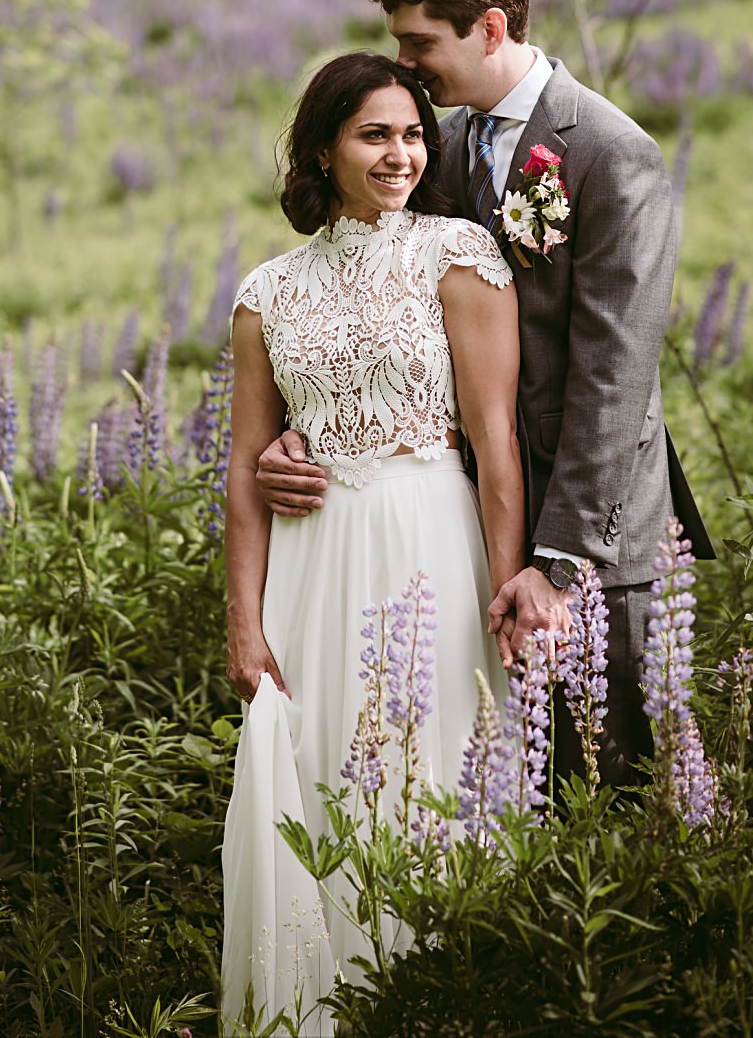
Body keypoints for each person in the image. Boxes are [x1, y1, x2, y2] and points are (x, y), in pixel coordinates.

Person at [256, 0, 713, 790]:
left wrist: (556, 561)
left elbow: (613, 379)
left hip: (593, 529)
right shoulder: (441, 143)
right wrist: (305, 432)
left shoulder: (614, 153)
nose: (408, 62)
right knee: (496, 788)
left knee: (608, 785)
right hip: (463, 521)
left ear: (491, 27)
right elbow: (371, 292)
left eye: (420, 40)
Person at [221, 51, 524, 1034]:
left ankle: (446, 1004)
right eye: (372, 134)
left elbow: (495, 441)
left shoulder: (459, 254)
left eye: (410, 133)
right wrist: (243, 623)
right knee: (317, 779)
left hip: (430, 545)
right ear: (322, 148)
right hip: (311, 568)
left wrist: (508, 580)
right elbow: (244, 467)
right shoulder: (267, 293)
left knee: (435, 776)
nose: (399, 153)